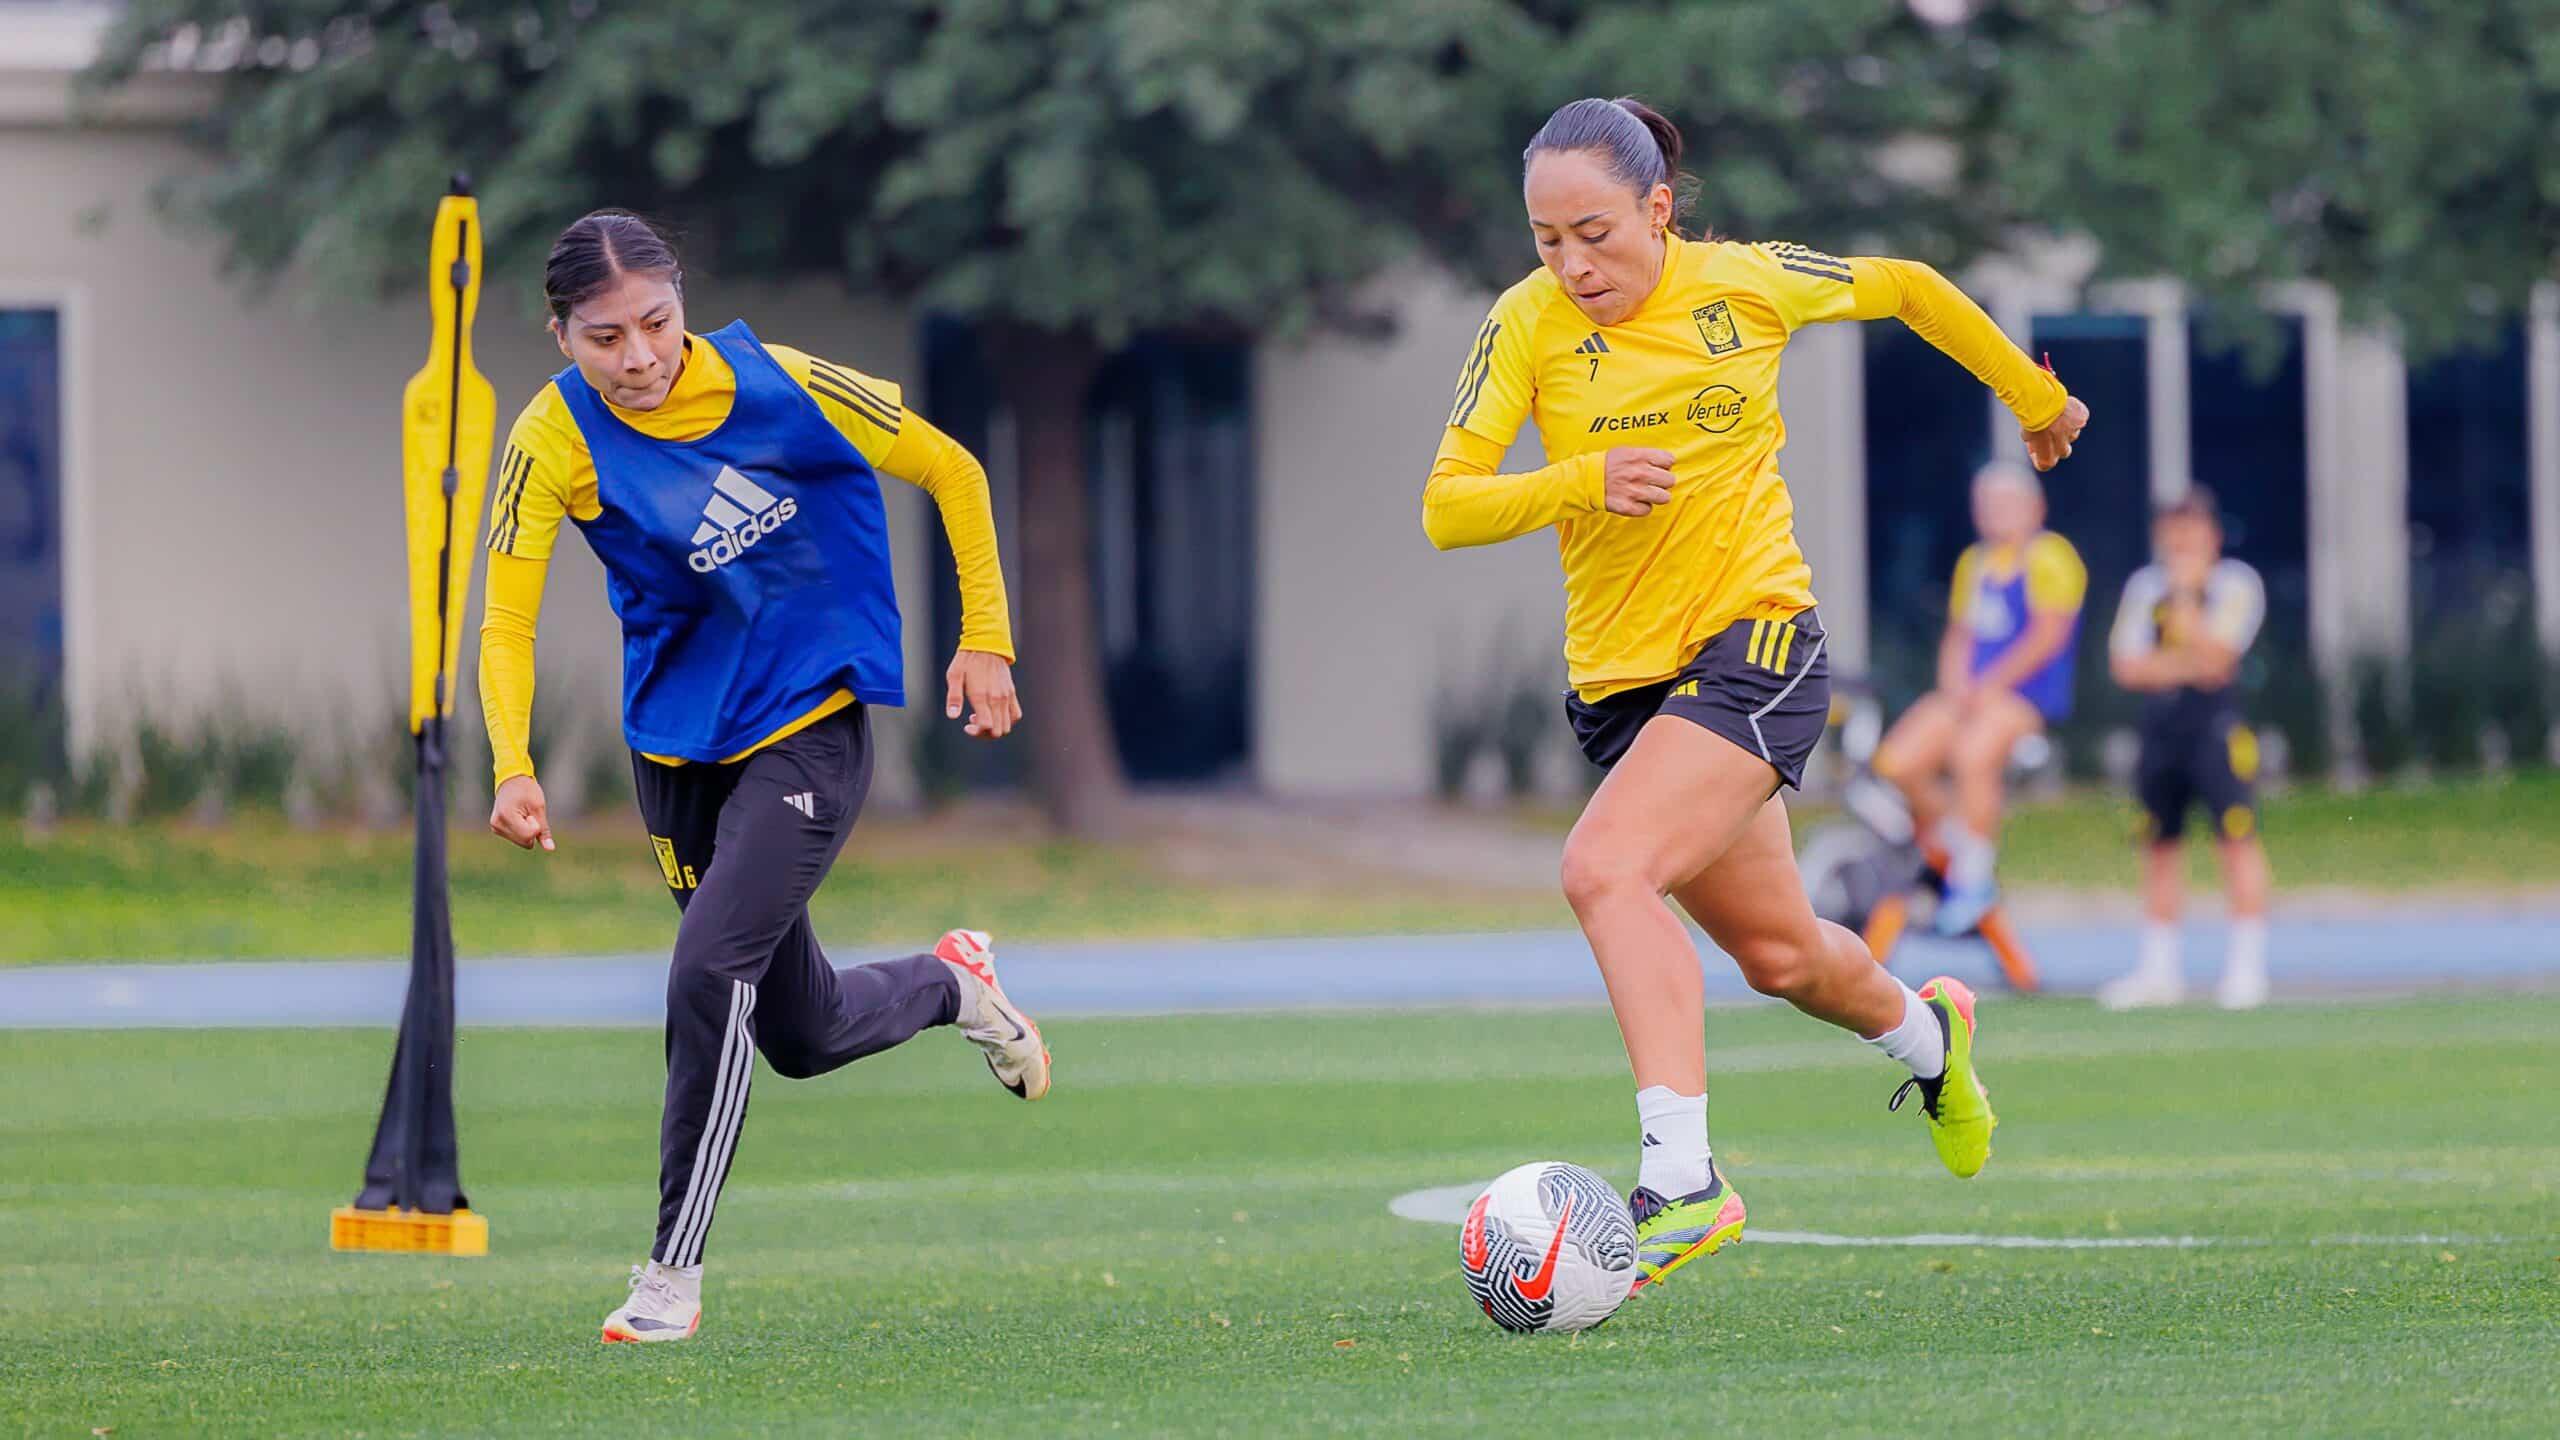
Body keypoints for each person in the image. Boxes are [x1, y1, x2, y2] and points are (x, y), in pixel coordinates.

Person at [1422, 97, 2088, 1290]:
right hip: (1625, 694)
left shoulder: (1749, 283)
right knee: (1782, 958)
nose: (1573, 265)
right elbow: (1447, 504)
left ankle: (1682, 1182)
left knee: (1601, 870)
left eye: (1595, 233)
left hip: (1757, 649)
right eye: (1546, 241)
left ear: (1658, 209)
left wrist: (2031, 400)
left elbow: (1914, 286)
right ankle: (1932, 1037)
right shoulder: (1523, 325)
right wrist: (1576, 479)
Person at [477, 211, 1051, 1344]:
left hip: (809, 729)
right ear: (560, 338)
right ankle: (952, 985)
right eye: (604, 338)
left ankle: (668, 1280)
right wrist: (512, 763)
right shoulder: (551, 439)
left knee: (706, 971)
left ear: (680, 304)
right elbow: (504, 616)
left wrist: (987, 632)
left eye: (655, 323)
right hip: (678, 753)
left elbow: (953, 466)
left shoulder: (785, 381)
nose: (637, 357)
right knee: (800, 1032)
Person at [1872, 462, 2088, 934]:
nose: (1997, 513)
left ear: (2035, 507)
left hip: (2024, 697)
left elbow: (2046, 638)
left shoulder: (2051, 556)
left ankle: (1974, 875)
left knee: (1973, 755)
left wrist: (1990, 685)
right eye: (1988, 504)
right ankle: (1952, 842)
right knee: (1898, 761)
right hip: (1974, 693)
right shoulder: (1976, 562)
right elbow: (1960, 634)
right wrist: (1954, 684)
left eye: (2007, 504)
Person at [2099, 488, 2273, 1010]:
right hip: (2161, 729)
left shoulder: (2235, 584)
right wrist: (2181, 663)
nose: (2181, 547)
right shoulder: (2145, 588)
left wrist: (2188, 601)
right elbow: (2128, 667)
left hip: (2215, 728)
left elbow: (2219, 659)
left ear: (2212, 538)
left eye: (2191, 536)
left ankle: (2245, 965)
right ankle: (2160, 969)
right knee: (2159, 846)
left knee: (2235, 839)